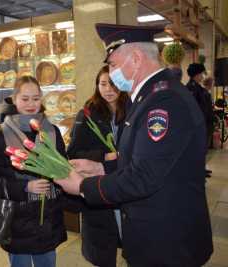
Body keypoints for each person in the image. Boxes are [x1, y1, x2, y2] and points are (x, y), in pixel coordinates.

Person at [55, 23, 213, 266]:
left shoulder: (163, 102)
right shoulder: (149, 95)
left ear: (136, 59)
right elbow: (144, 158)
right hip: (158, 236)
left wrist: (85, 186)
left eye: (114, 64)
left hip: (167, 244)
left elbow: (144, 175)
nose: (111, 72)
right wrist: (102, 169)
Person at [0, 76, 67, 267]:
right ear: (14, 99)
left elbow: (63, 168)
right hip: (16, 220)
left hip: (48, 219)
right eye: (25, 99)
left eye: (35, 99)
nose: (31, 104)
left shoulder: (51, 131)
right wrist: (25, 187)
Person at [67, 65, 128, 267]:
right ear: (96, 85)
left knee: (132, 244)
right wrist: (104, 156)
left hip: (127, 183)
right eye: (103, 84)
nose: (108, 90)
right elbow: (73, 153)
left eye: (113, 84)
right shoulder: (87, 113)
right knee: (103, 250)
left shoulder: (133, 109)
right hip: (99, 189)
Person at [187, 63, 214, 175]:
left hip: (204, 124)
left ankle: (201, 169)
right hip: (198, 125)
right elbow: (194, 109)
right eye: (201, 74)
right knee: (197, 150)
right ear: (196, 74)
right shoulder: (191, 88)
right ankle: (196, 171)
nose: (202, 76)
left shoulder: (198, 87)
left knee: (202, 149)